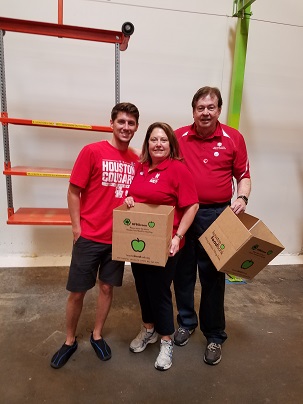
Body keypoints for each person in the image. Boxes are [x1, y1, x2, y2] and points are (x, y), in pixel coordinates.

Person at [50, 102, 140, 369]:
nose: (126, 127)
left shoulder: (136, 160)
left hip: (118, 239)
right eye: (121, 122)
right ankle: (69, 340)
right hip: (89, 236)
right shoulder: (92, 151)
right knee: (77, 292)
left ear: (136, 127)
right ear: (111, 123)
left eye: (131, 123)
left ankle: (97, 334)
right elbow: (73, 191)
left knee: (106, 287)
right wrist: (77, 228)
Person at [173, 86, 251, 365]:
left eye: (211, 107)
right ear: (192, 110)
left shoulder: (233, 138)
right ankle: (185, 322)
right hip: (182, 214)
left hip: (216, 215)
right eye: (200, 108)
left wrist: (241, 197)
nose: (205, 113)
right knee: (182, 273)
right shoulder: (178, 136)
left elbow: (243, 175)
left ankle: (214, 335)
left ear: (218, 110)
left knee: (213, 277)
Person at [124, 122, 199, 371]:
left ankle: (166, 339)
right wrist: (130, 199)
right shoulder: (141, 167)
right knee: (143, 288)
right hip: (140, 242)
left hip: (166, 244)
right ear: (147, 143)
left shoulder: (178, 170)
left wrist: (178, 237)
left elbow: (192, 206)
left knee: (159, 291)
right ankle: (149, 330)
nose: (158, 144)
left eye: (163, 140)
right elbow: (138, 196)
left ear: (170, 144)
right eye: (153, 139)